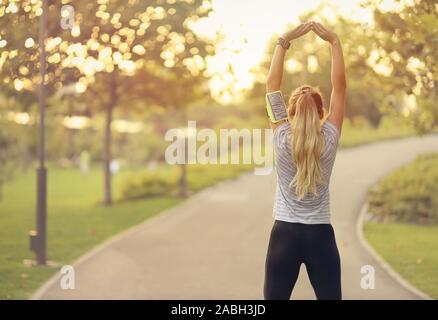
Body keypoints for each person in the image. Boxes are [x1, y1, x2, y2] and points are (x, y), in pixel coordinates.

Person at [264, 21, 346, 300]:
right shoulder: (330, 137)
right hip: (320, 237)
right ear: (322, 111)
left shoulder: (281, 135)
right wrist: (334, 42)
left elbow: (271, 85)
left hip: (283, 236)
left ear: (290, 110)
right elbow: (340, 88)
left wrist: (283, 40)